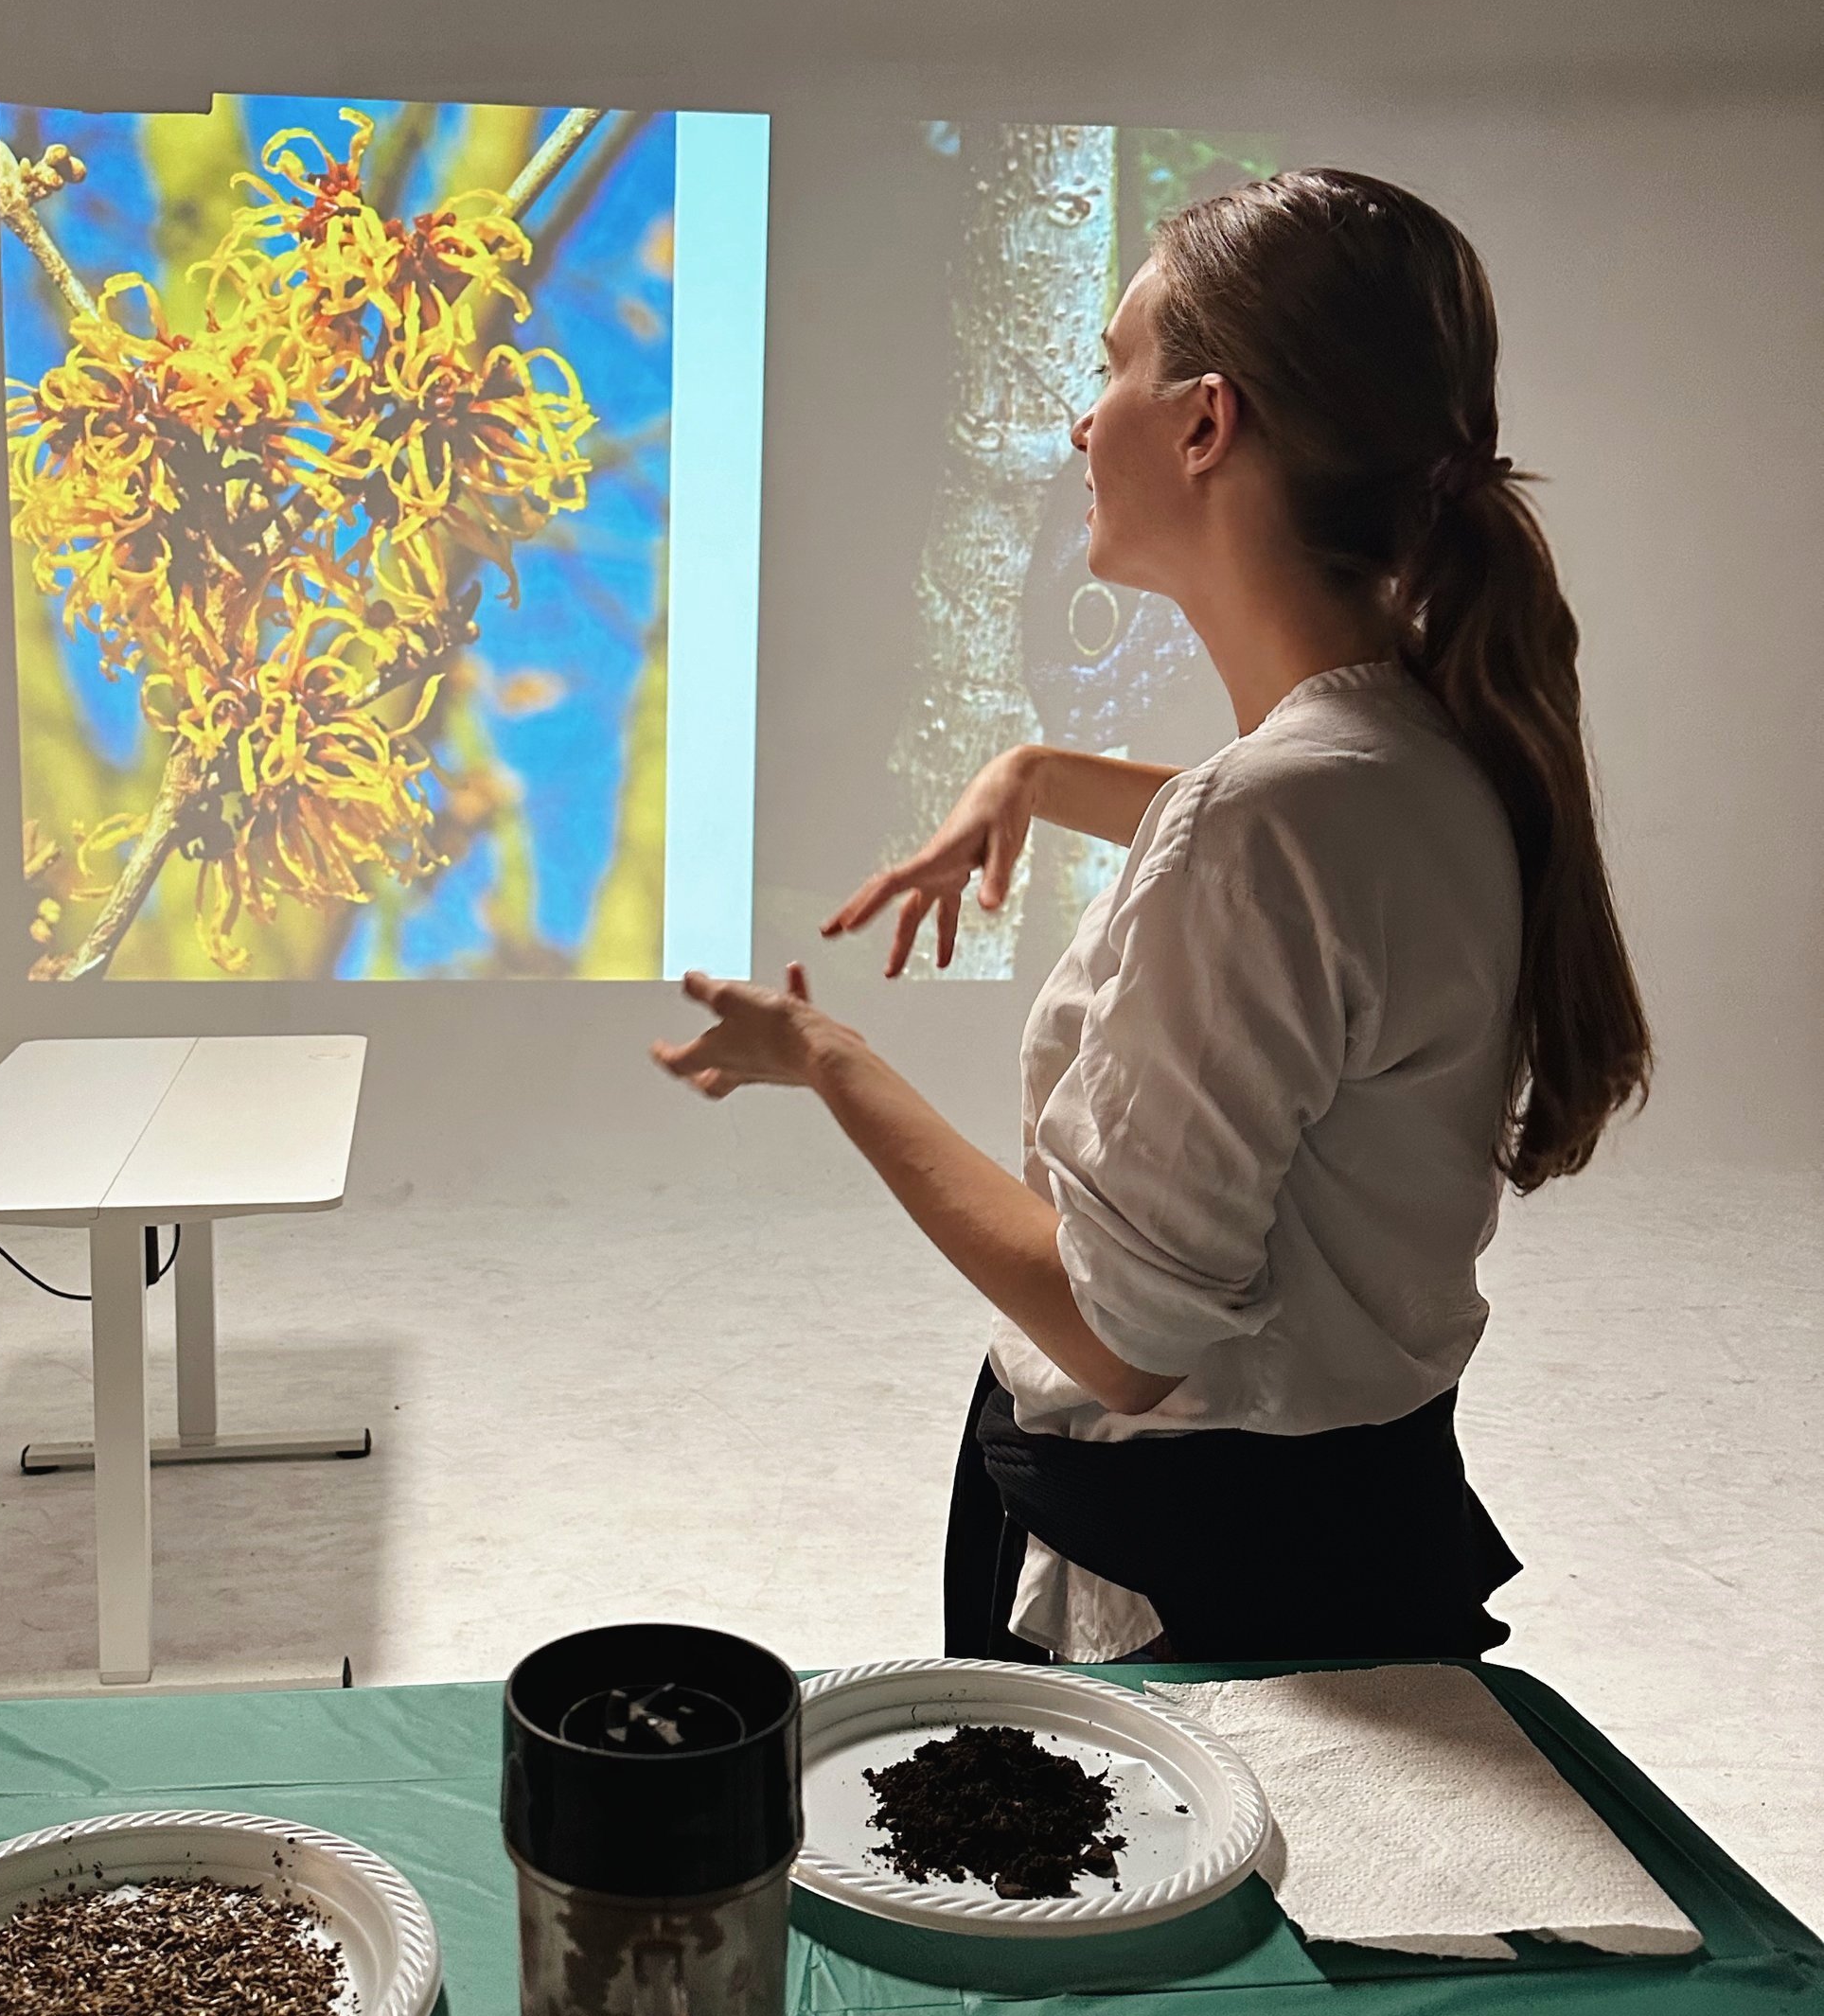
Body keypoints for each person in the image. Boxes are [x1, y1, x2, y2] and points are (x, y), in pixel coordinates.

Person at [650, 168, 1650, 1664]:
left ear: (1205, 423)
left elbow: (1118, 1337)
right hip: (1346, 1537)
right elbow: (1296, 861)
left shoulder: (1271, 821)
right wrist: (1041, 771)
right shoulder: (1429, 753)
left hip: (1194, 1597)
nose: (1081, 419)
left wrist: (829, 1058)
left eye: (1116, 365)